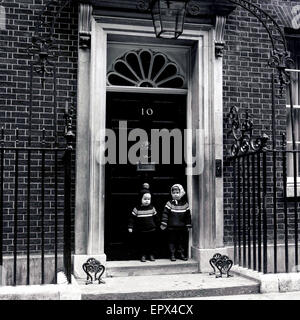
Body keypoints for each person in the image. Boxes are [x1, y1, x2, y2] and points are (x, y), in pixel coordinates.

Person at [128, 183, 159, 262]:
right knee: (142, 244)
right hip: (141, 230)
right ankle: (143, 255)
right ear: (140, 199)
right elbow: (132, 218)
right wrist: (130, 226)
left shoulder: (152, 208)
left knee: (151, 243)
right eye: (145, 199)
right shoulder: (137, 209)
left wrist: (160, 225)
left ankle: (151, 255)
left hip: (151, 229)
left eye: (148, 199)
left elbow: (156, 218)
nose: (147, 201)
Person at [160, 184, 192, 261]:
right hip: (172, 227)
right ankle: (172, 254)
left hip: (181, 227)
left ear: (181, 193)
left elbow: (188, 215)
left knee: (181, 241)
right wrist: (164, 223)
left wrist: (188, 224)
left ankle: (181, 254)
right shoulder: (169, 203)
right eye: (173, 193)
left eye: (177, 192)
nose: (175, 194)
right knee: (172, 241)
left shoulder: (185, 204)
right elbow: (165, 214)